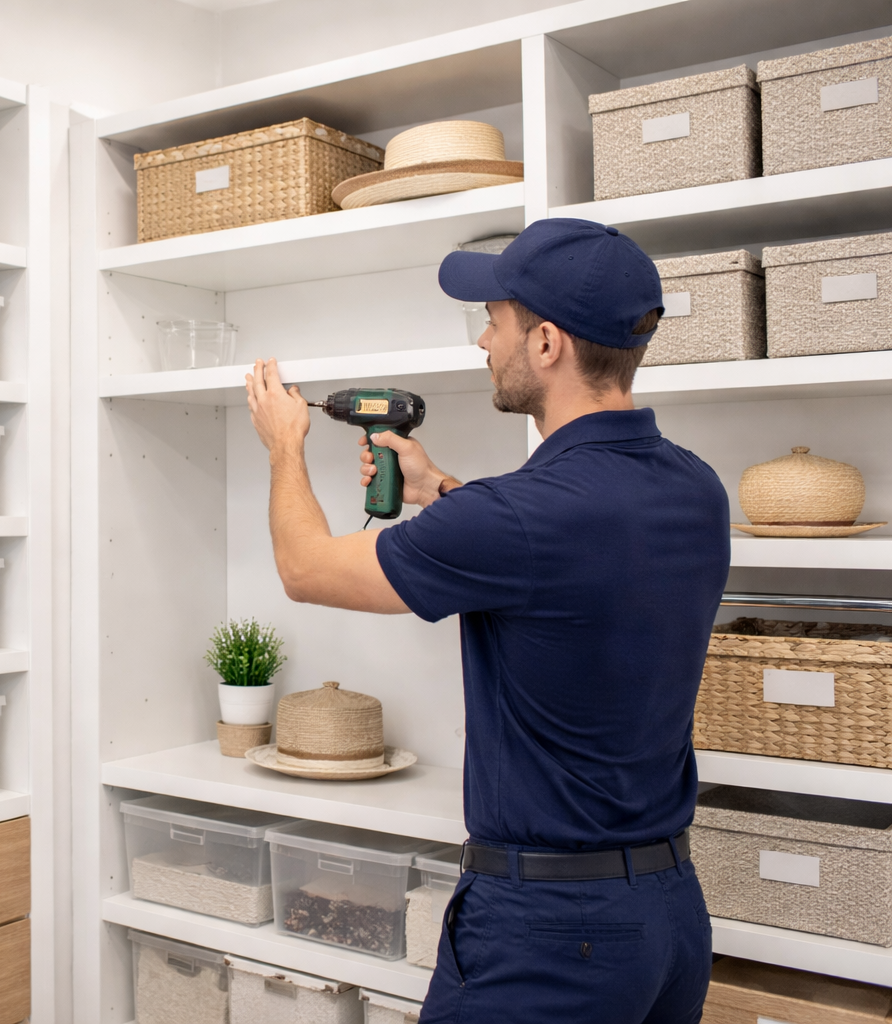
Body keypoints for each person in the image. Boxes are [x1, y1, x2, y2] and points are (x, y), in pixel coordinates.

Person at [243, 218, 730, 1024]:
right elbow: (572, 556)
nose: (481, 339)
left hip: (549, 935)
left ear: (546, 344)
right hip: (668, 919)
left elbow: (305, 569)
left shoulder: (521, 518)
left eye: (496, 320)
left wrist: (283, 447)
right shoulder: (694, 488)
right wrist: (442, 488)